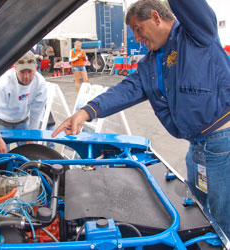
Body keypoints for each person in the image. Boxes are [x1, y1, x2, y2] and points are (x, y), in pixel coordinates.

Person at [52, 0, 230, 240]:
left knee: (223, 219)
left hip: (221, 144)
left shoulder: (195, 34)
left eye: (138, 29)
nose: (136, 38)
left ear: (156, 17)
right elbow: (126, 90)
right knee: (199, 215)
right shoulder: (150, 63)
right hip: (198, 147)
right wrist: (86, 112)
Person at [0, 51, 47, 153]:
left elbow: (37, 111)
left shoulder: (40, 83)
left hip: (23, 121)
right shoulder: (3, 82)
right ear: (15, 69)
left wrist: (32, 133)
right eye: (22, 72)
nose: (26, 76)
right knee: (2, 155)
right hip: (2, 122)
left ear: (36, 67)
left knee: (29, 153)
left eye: (29, 72)